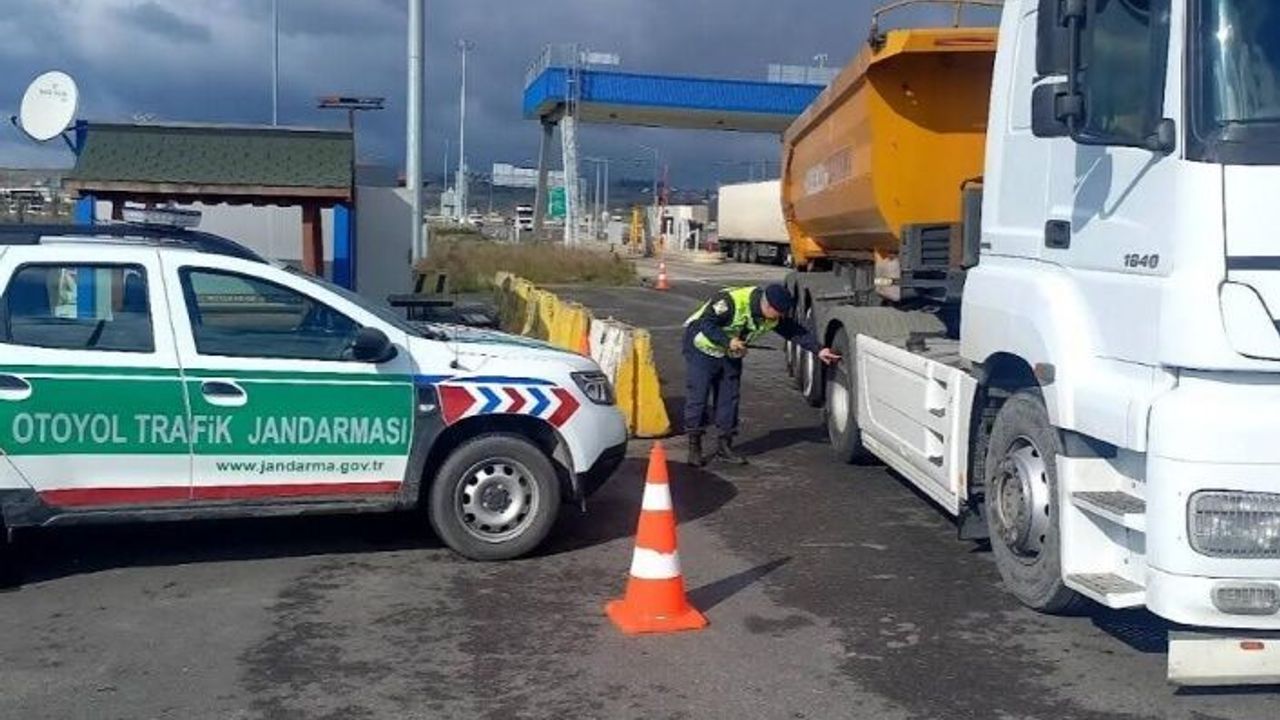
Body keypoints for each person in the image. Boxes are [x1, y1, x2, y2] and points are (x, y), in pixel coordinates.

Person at [682, 284, 841, 466]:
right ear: (768, 306)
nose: (780, 317)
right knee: (698, 396)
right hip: (702, 348)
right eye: (778, 312)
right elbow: (705, 323)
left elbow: (793, 331)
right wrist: (727, 341)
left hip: (731, 352)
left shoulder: (772, 315)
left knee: (729, 398)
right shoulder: (729, 302)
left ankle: (724, 446)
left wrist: (819, 350)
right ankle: (694, 446)